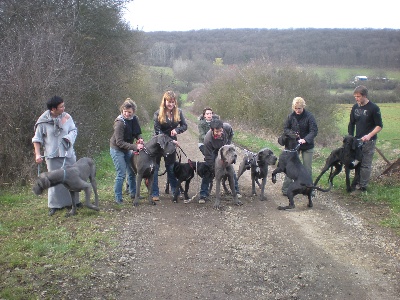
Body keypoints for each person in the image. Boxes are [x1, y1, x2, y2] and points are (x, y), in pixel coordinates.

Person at [32, 95, 81, 216]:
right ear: (53, 109)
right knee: (53, 180)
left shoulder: (67, 117)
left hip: (67, 154)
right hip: (52, 156)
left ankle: (74, 202)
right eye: (61, 107)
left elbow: (74, 130)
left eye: (63, 105)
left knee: (72, 178)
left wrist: (68, 138)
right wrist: (38, 154)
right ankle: (55, 205)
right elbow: (37, 139)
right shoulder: (43, 121)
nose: (64, 108)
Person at [152, 91, 187, 201]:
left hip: (171, 145)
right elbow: (158, 132)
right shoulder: (158, 113)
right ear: (164, 101)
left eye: (172, 102)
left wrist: (177, 130)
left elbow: (185, 126)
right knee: (155, 168)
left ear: (174, 102)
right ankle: (154, 193)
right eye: (168, 102)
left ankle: (174, 191)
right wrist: (170, 141)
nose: (170, 104)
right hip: (159, 144)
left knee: (171, 168)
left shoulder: (179, 112)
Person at [348, 85, 383, 192]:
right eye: (355, 96)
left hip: (369, 141)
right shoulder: (355, 107)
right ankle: (356, 182)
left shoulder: (374, 108)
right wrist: (350, 137)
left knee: (365, 164)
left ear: (364, 96)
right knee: (356, 162)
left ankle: (363, 186)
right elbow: (351, 123)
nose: (356, 98)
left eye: (358, 96)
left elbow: (379, 126)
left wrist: (369, 135)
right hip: (357, 140)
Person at [281, 97, 318, 196]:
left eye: (299, 108)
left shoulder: (309, 116)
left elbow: (314, 130)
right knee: (290, 167)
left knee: (307, 168)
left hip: (307, 145)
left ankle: (310, 189)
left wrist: (305, 139)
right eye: (296, 108)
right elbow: (285, 128)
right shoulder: (290, 116)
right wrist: (292, 134)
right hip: (293, 146)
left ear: (303, 107)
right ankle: (286, 188)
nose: (297, 110)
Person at [110, 98, 144, 204]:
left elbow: (137, 132)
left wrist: (139, 138)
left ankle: (133, 193)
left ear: (133, 111)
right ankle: (118, 198)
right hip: (117, 149)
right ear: (122, 110)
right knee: (121, 173)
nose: (127, 114)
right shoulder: (119, 123)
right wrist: (135, 147)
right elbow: (119, 142)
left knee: (132, 171)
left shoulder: (134, 119)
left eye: (129, 112)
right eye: (125, 111)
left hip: (127, 149)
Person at [199, 119, 241, 203]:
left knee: (231, 171)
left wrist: (228, 144)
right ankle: (203, 194)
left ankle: (236, 191)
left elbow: (231, 134)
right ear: (212, 130)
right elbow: (208, 156)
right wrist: (213, 168)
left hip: (226, 149)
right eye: (217, 131)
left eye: (221, 131)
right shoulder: (208, 139)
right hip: (214, 151)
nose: (219, 133)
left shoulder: (227, 127)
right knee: (208, 170)